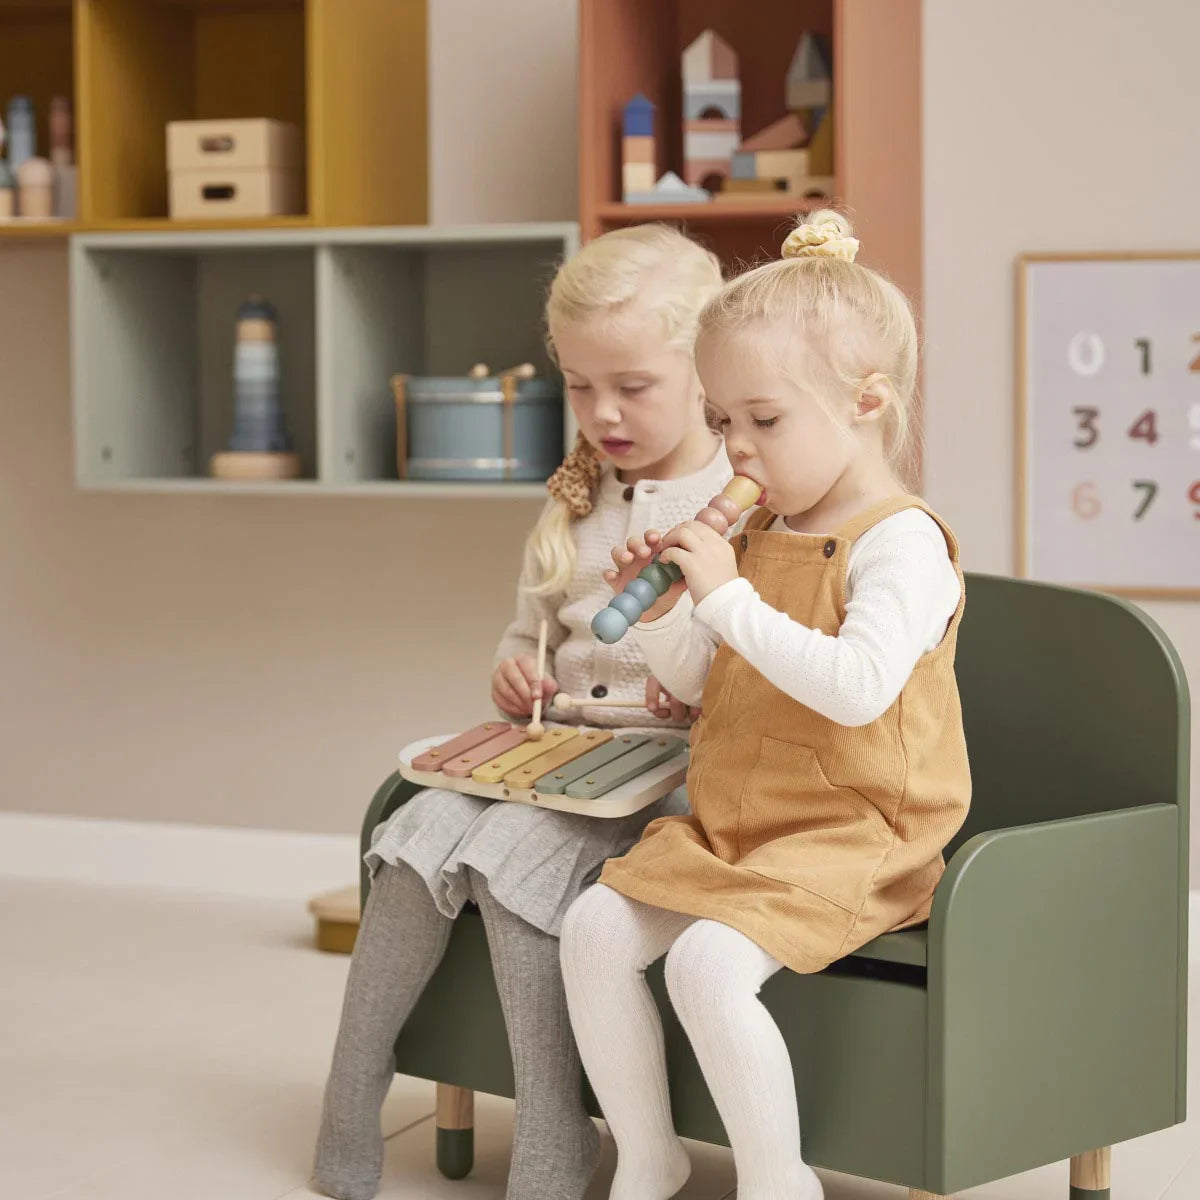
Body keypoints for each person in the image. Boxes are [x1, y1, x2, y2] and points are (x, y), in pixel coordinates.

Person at [312, 223, 730, 1200]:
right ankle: (349, 1095)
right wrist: (511, 674)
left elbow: (749, 662)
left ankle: (554, 1131)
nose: (603, 412)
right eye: (580, 386)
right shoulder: (577, 496)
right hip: (558, 754)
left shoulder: (736, 502)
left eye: (633, 386)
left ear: (705, 371)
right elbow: (527, 632)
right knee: (411, 841)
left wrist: (689, 684)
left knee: (512, 863)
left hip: (667, 774)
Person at [560, 211, 971, 1200]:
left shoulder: (901, 543)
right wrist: (668, 614)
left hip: (854, 834)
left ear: (866, 402)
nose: (737, 451)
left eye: (764, 421)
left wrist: (726, 599)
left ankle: (778, 1181)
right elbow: (704, 686)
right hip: (742, 821)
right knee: (594, 931)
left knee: (706, 966)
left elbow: (856, 690)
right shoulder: (762, 532)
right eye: (721, 424)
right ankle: (648, 1156)